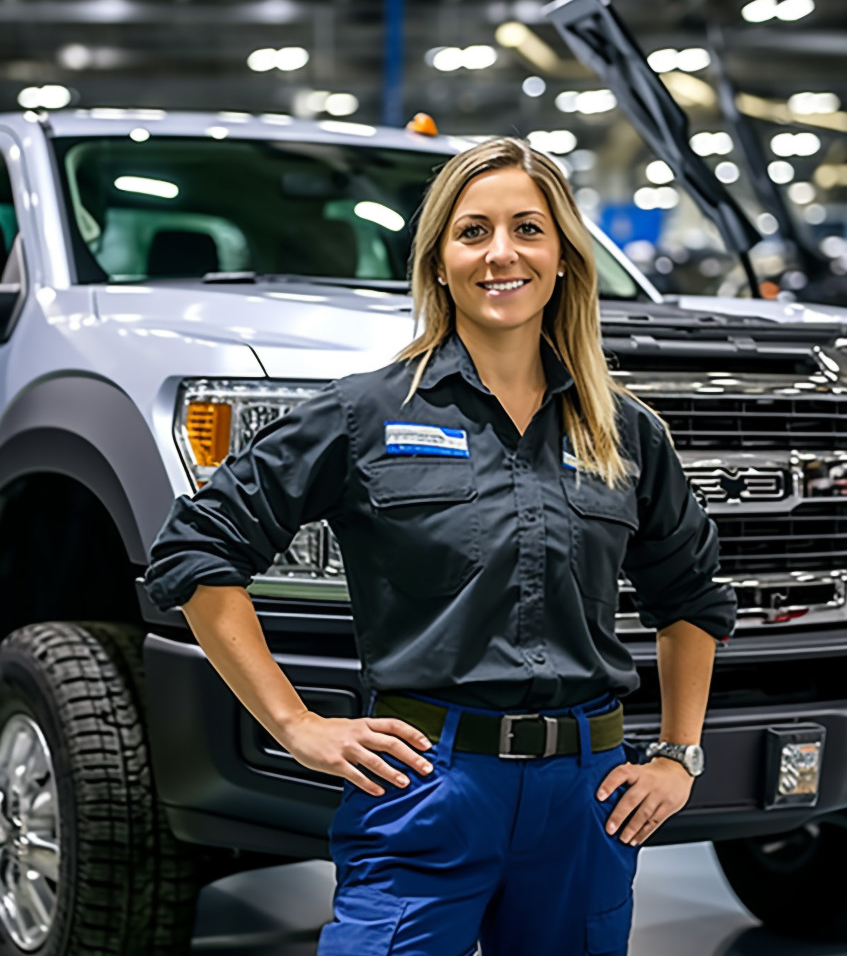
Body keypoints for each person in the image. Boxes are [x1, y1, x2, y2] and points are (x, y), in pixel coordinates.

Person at [143, 136, 738, 956]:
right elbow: (196, 547)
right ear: (438, 262)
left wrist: (678, 754)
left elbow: (693, 597)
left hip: (586, 796)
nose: (502, 253)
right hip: (426, 786)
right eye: (473, 232)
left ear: (564, 255)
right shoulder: (366, 414)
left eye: (528, 228)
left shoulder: (624, 430)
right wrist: (292, 723)